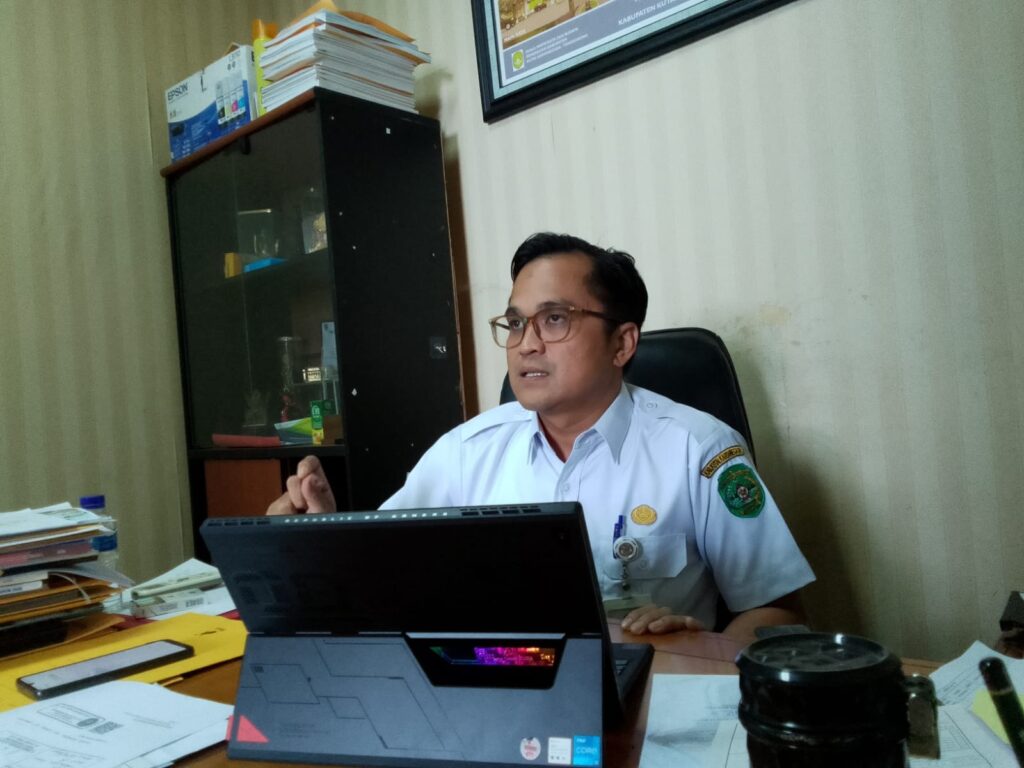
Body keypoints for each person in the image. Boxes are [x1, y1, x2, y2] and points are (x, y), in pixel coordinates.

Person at [267, 232, 815, 644]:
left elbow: (780, 612)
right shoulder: (467, 451)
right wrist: (317, 534)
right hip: (497, 691)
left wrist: (701, 650)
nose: (525, 344)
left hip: (650, 698)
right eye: (515, 323)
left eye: (553, 319)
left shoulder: (700, 450)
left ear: (622, 344)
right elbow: (381, 566)